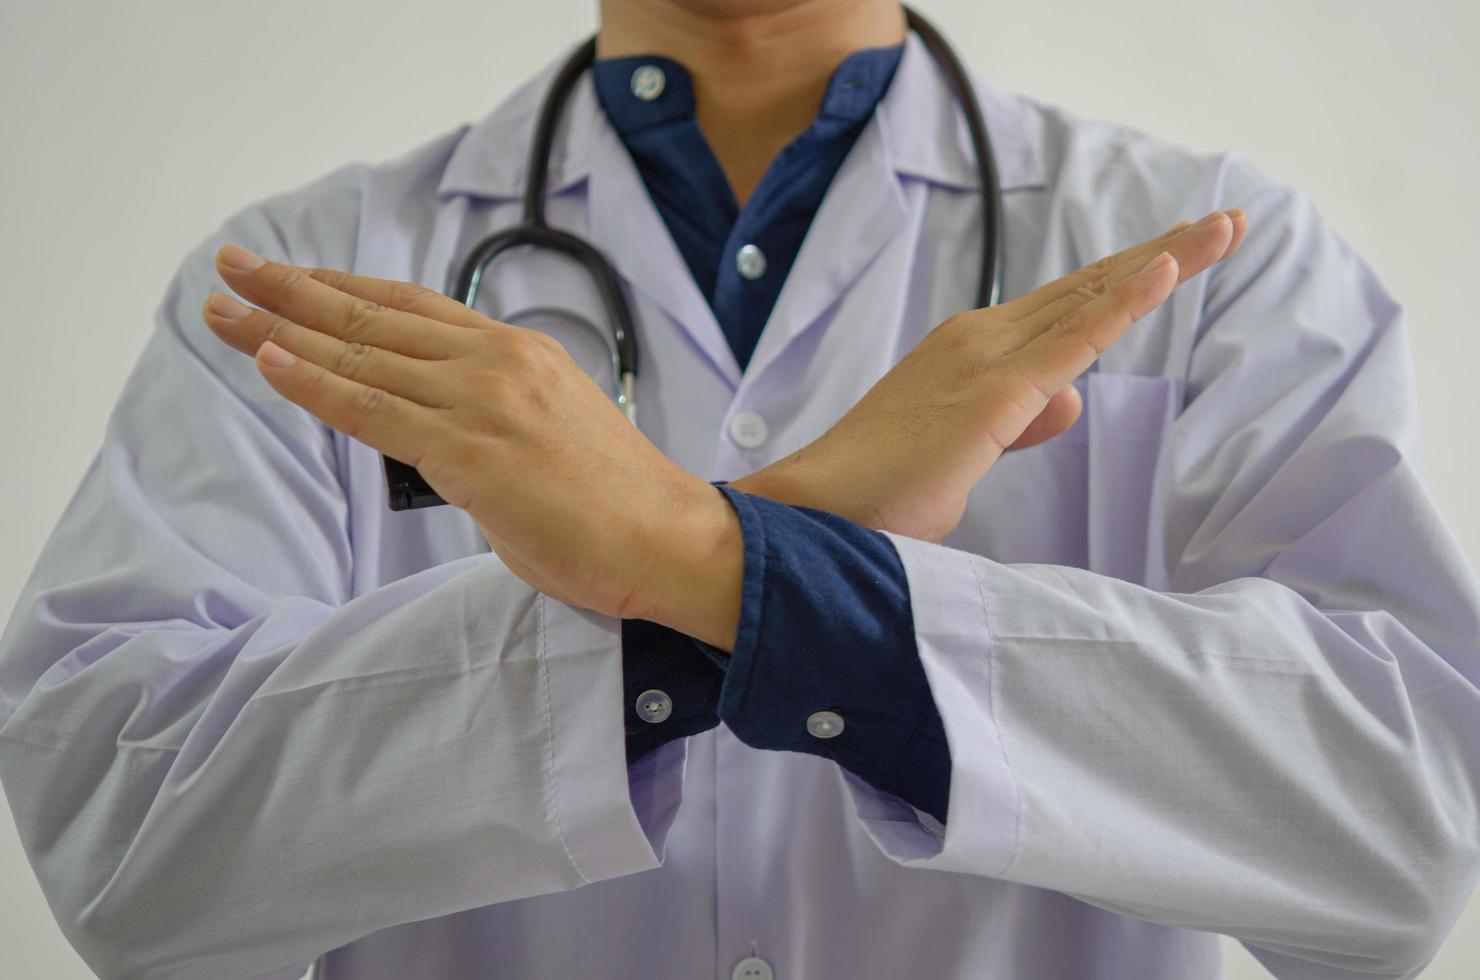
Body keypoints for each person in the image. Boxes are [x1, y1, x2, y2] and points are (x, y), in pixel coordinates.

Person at [2, 0, 1477, 977]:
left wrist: (695, 560)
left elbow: (1399, 820)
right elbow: (122, 829)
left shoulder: (1209, 263)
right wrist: (766, 564)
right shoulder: (309, 285)